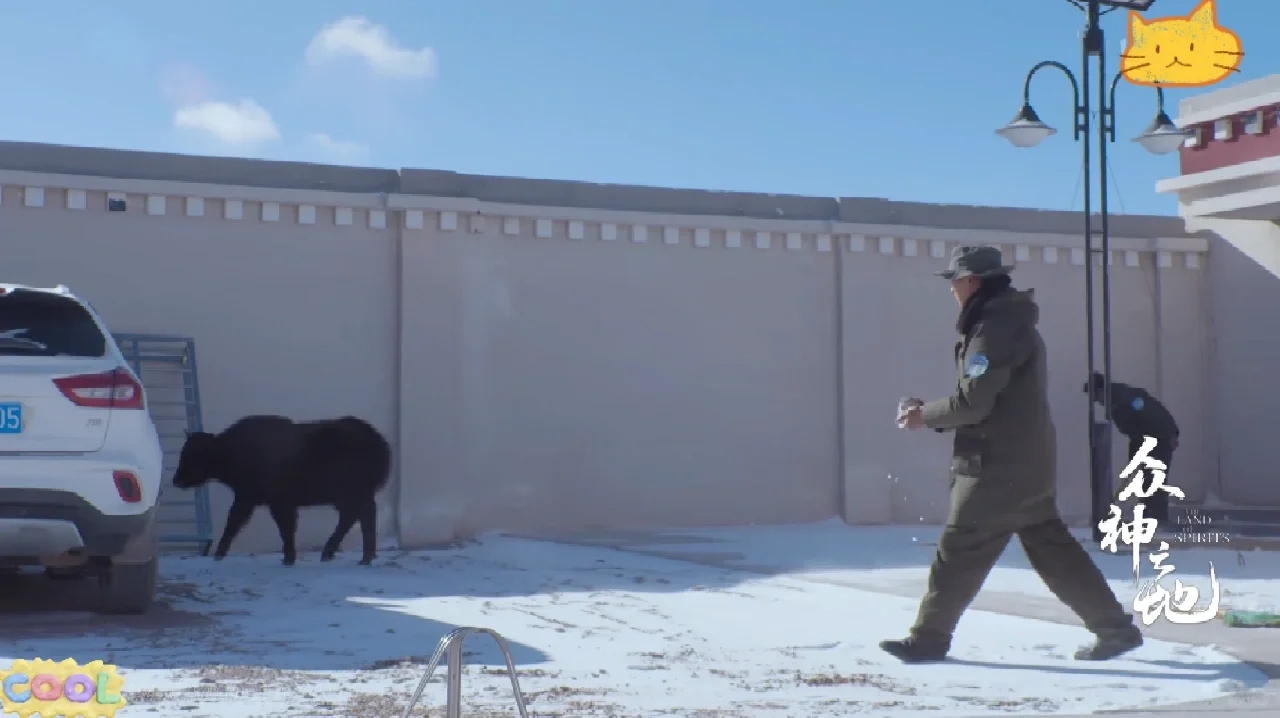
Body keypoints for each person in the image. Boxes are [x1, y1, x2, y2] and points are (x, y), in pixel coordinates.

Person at [887, 245, 1142, 663]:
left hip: (995, 468)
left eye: (954, 280)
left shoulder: (993, 328)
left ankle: (929, 639)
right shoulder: (1004, 321)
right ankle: (1115, 630)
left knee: (960, 548)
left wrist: (922, 416)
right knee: (1055, 553)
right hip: (1024, 464)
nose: (951, 288)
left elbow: (973, 403)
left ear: (972, 281)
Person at [1083, 371, 1180, 529]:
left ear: (1101, 390)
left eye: (1096, 397)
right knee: (1144, 478)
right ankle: (1149, 515)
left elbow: (1153, 412)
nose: (1097, 402)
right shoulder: (1114, 401)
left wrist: (1170, 435)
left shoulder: (1127, 397)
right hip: (1142, 439)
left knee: (1154, 479)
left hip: (1159, 439)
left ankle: (1157, 519)